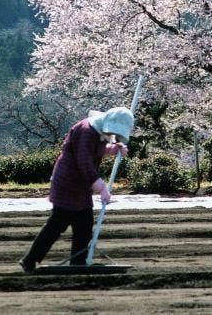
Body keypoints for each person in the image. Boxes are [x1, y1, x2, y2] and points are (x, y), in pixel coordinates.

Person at [18, 107, 134, 272]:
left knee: (84, 225)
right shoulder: (86, 131)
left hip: (81, 185)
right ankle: (30, 260)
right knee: (57, 224)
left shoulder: (98, 132)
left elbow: (98, 150)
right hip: (68, 183)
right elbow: (84, 162)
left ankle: (78, 262)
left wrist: (115, 149)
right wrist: (101, 187)